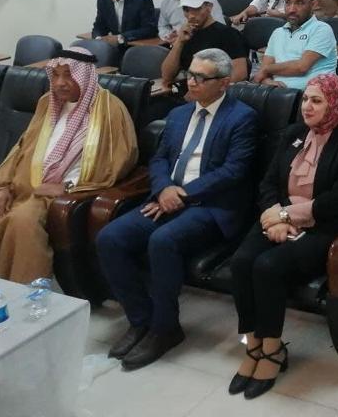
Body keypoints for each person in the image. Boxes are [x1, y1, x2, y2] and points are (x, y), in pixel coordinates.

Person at [97, 49, 257, 370]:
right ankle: (141, 320)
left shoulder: (242, 117)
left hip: (210, 205)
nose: (191, 82)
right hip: (167, 197)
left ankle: (165, 328)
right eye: (190, 74)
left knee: (163, 240)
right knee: (110, 238)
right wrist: (164, 190)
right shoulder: (179, 114)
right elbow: (159, 159)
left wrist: (182, 195)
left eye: (201, 77)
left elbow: (233, 171)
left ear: (224, 83)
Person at [228, 74, 338, 400]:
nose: (307, 106)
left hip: (323, 226)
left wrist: (287, 215)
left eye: (317, 101)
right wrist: (275, 216)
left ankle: (273, 351)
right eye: (306, 99)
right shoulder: (294, 134)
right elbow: (268, 182)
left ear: (335, 104)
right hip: (278, 216)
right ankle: (253, 345)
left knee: (267, 267)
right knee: (241, 262)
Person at [0, 48, 137, 283]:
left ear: (84, 75)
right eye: (55, 75)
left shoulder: (109, 109)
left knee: (20, 222)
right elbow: (22, 146)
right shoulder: (48, 103)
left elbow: (120, 159)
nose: (60, 83)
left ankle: (19, 291)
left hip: (52, 195)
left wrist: (69, 186)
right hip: (19, 185)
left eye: (68, 75)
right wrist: (1, 187)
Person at [160, 0, 249, 89]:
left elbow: (240, 74)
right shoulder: (186, 36)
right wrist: (179, 42)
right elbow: (166, 76)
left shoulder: (228, 34)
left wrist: (204, 92)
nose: (191, 15)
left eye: (196, 9)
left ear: (209, 7)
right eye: (186, 10)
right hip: (188, 91)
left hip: (212, 93)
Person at [254, 0, 337, 89]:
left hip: (312, 96)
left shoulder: (321, 29)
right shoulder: (277, 33)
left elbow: (301, 67)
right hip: (278, 93)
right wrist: (267, 81)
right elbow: (262, 73)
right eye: (287, 2)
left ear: (314, 5)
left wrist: (267, 69)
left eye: (299, 3)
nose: (291, 9)